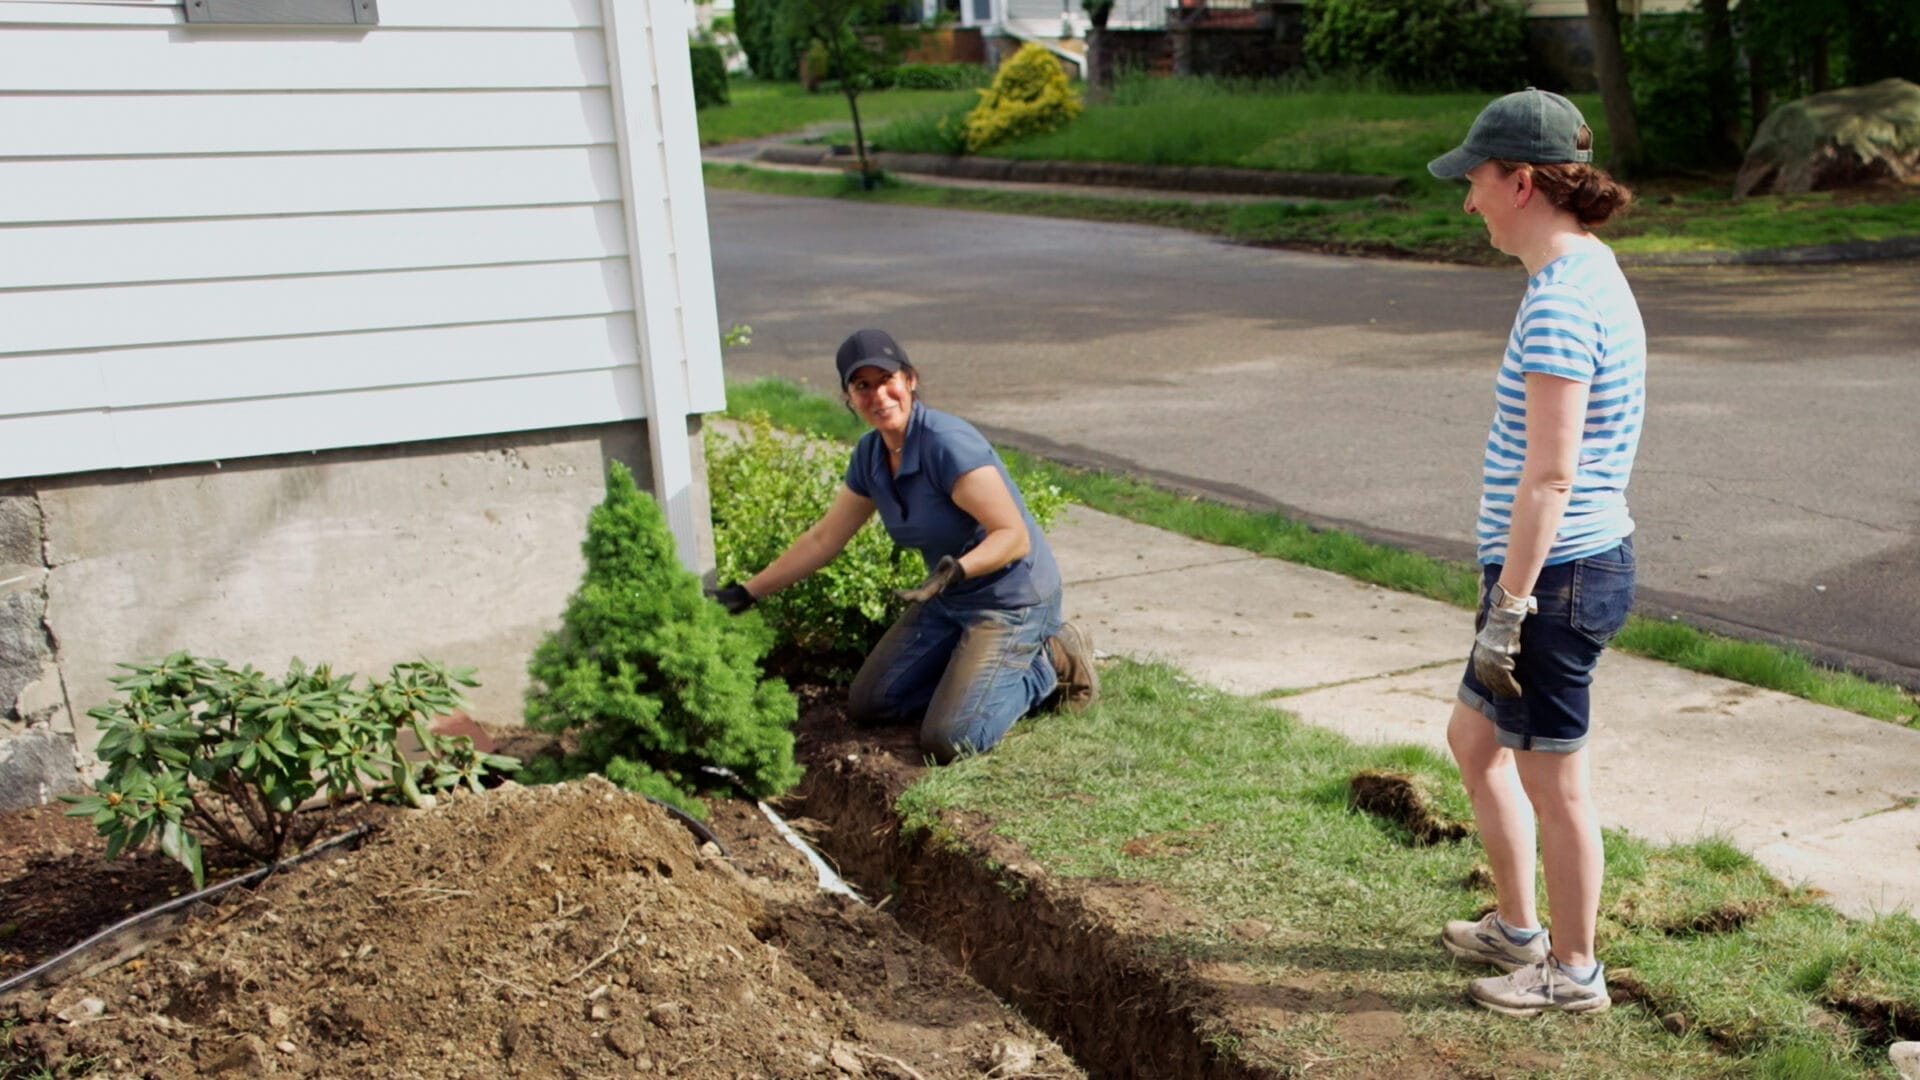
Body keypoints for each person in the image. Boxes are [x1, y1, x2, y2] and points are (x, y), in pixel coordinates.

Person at [1426, 89, 1645, 1016]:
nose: (1468, 202)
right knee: (1475, 742)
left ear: (1521, 181)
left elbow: (1551, 478)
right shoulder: (1585, 271)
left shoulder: (1561, 302)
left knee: (1556, 783)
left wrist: (1509, 610)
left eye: (1476, 181)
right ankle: (1519, 928)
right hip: (1550, 573)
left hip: (1555, 579)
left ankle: (1574, 970)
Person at [709, 329, 1098, 763]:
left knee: (952, 739)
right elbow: (824, 539)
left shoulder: (946, 444)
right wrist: (747, 592)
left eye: (886, 378)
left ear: (910, 379)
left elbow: (1013, 535)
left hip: (1011, 599)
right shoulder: (870, 455)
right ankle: (971, 675)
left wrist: (956, 570)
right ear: (849, 398)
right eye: (863, 386)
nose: (878, 394)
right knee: (872, 702)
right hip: (949, 597)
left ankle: (1051, 660)